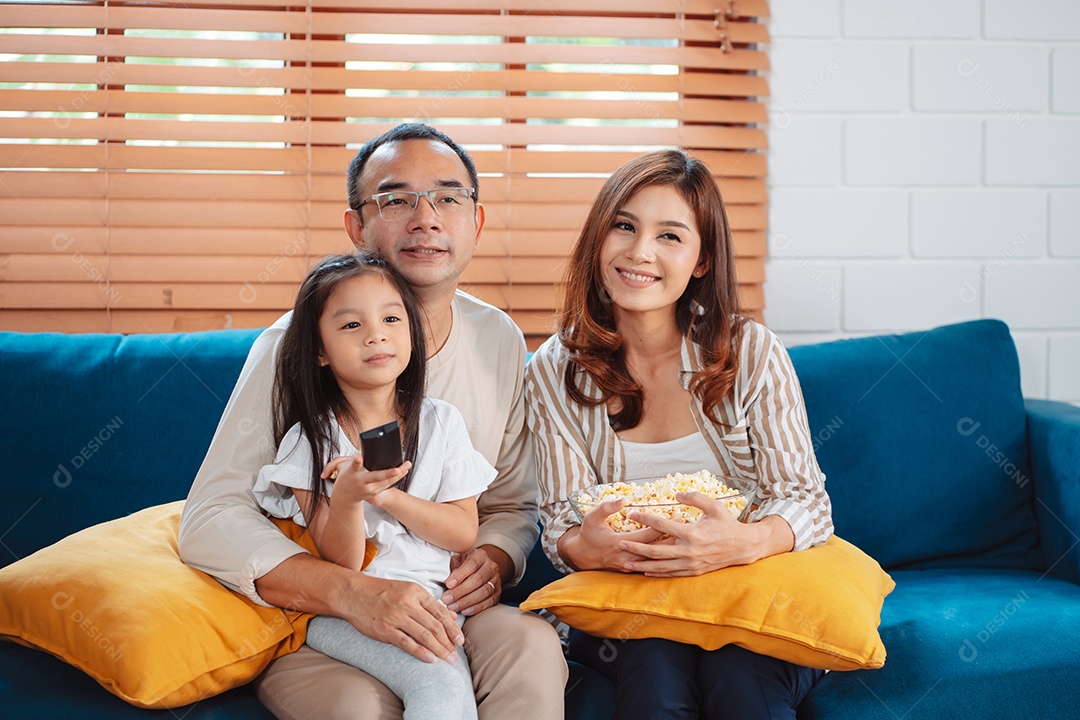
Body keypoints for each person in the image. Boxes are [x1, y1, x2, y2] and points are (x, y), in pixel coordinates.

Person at [179, 123, 567, 720]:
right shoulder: (291, 345)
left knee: (532, 647)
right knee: (360, 707)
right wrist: (353, 592)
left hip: (446, 608)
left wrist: (494, 559)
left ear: (476, 222)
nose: (426, 218)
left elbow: (512, 506)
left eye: (447, 197)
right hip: (324, 620)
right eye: (395, 199)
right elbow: (211, 516)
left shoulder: (498, 339)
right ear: (357, 227)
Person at [524, 149, 835, 720]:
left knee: (742, 680)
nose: (639, 252)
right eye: (624, 226)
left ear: (700, 260)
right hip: (633, 599)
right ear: (599, 239)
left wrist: (746, 542)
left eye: (670, 235)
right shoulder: (553, 368)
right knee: (653, 676)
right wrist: (580, 546)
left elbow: (807, 500)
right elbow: (562, 522)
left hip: (752, 586)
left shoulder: (750, 352)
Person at [253, 252, 494, 720]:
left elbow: (462, 533)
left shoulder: (441, 422)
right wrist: (347, 498)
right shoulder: (310, 439)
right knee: (444, 692)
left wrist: (386, 496)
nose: (376, 334)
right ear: (319, 351)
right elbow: (340, 565)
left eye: (390, 318)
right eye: (350, 325)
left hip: (436, 603)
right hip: (346, 614)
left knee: (455, 687)